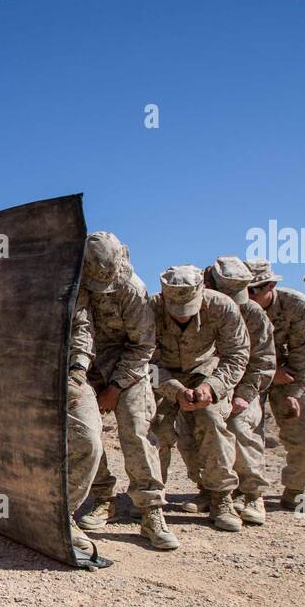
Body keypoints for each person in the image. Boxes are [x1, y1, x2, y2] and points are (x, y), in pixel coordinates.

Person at [74, 232, 178, 551]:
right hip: (89, 364)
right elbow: (82, 329)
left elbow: (142, 345)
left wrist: (116, 388)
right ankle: (103, 498)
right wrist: (79, 370)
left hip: (128, 365)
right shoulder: (78, 283)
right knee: (85, 430)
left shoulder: (134, 289)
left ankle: (150, 512)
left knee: (136, 430)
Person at [150, 265, 250, 532]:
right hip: (164, 377)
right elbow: (145, 359)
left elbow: (237, 354)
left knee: (212, 422)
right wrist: (174, 390)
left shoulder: (222, 307)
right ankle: (151, 502)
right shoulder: (149, 309)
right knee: (154, 428)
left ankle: (221, 498)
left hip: (206, 373)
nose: (182, 317)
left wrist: (213, 387)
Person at [191, 257, 276, 526]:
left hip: (241, 386)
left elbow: (263, 360)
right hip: (205, 383)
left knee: (239, 425)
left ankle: (251, 494)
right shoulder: (196, 307)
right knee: (197, 425)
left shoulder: (252, 313)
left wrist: (245, 394)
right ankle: (212, 490)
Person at [245, 258, 305, 515]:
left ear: (270, 285)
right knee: (244, 429)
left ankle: (296, 492)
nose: (247, 295)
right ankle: (248, 493)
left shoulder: (296, 305)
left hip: (292, 376)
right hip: (252, 374)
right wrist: (271, 372)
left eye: (253, 290)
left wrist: (295, 393)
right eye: (243, 289)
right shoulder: (235, 305)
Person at [66, 295, 104, 551]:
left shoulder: (66, 283)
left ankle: (62, 514)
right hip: (20, 375)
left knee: (88, 441)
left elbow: (82, 329)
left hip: (68, 375)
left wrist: (77, 373)